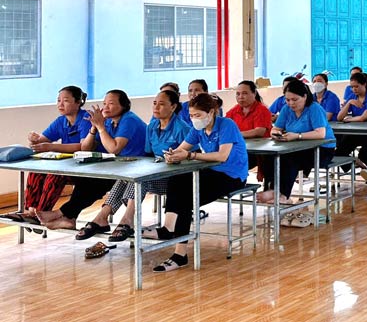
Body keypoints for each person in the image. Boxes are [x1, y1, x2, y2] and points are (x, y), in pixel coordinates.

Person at [150, 93, 249, 272]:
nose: (194, 119)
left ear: (211, 112)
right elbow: (182, 148)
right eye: (191, 116)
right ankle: (168, 227)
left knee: (186, 199)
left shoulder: (227, 125)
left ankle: (180, 254)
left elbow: (222, 156)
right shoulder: (197, 129)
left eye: (198, 116)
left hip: (232, 176)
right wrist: (172, 155)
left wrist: (190, 155)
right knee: (178, 179)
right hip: (211, 171)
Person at [76, 89, 191, 242]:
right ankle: (102, 217)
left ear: (173, 106)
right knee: (128, 178)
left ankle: (127, 221)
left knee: (140, 179)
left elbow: (191, 159)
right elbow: (149, 155)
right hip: (157, 173)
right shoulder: (152, 126)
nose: (156, 107)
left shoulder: (182, 128)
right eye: (154, 103)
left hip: (175, 181)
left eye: (161, 104)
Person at [36, 90, 147, 231]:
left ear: (124, 106)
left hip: (138, 168)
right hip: (120, 166)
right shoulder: (108, 122)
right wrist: (94, 128)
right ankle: (69, 217)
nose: (105, 107)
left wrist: (100, 127)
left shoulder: (128, 119)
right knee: (87, 179)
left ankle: (63, 213)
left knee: (97, 182)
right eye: (104, 103)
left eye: (111, 104)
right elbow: (86, 148)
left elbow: (114, 149)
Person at [1, 87, 92, 226]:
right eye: (58, 100)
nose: (60, 104)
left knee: (55, 174)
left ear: (78, 102)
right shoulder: (61, 121)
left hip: (87, 167)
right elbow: (42, 140)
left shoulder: (86, 119)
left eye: (66, 101)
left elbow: (82, 147)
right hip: (70, 164)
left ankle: (42, 212)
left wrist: (51, 146)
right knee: (36, 171)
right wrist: (34, 139)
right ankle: (30, 212)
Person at [258, 79, 337, 205]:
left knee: (290, 159)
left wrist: (297, 136)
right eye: (287, 100)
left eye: (295, 100)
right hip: (296, 147)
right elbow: (276, 128)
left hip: (322, 150)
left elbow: (320, 133)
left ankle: (283, 195)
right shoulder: (286, 109)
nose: (291, 103)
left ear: (305, 96)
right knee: (270, 156)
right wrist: (276, 134)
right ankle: (271, 190)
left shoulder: (314, 108)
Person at [335, 72, 367, 171]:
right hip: (356, 131)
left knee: (365, 153)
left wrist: (349, 119)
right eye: (352, 87)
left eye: (356, 86)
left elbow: (363, 117)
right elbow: (339, 117)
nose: (354, 89)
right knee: (340, 151)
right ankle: (354, 163)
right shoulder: (352, 96)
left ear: (364, 84)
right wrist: (349, 103)